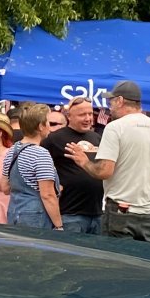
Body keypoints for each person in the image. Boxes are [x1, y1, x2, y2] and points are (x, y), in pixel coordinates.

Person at [65, 80, 150, 242]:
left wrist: (83, 161)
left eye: (112, 102)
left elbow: (105, 171)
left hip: (121, 211)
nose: (110, 107)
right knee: (143, 264)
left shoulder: (115, 127)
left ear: (120, 101)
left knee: (118, 263)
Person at [44, 97, 102, 234]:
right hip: (70, 213)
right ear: (69, 116)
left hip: (98, 212)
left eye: (90, 114)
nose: (88, 118)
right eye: (82, 115)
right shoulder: (54, 139)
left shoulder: (97, 137)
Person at [1, 103, 62, 231]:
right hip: (36, 217)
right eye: (48, 123)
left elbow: (5, 188)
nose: (50, 128)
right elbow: (47, 195)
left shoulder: (12, 151)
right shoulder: (40, 153)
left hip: (13, 213)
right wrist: (58, 225)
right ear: (40, 126)